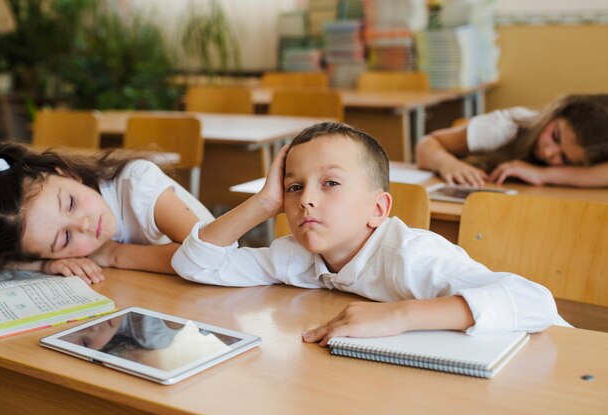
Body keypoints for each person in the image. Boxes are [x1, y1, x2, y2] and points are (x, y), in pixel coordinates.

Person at [171, 122, 566, 346]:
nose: (306, 200)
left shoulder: (410, 256)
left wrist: (398, 314)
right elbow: (195, 264)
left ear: (378, 210)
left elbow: (536, 303)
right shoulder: (295, 255)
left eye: (330, 184)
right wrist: (262, 203)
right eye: (294, 188)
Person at [0, 143, 213, 283]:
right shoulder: (42, 247)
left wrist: (111, 254)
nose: (83, 225)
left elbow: (205, 255)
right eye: (64, 239)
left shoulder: (137, 183)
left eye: (70, 204)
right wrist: (44, 266)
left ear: (68, 175)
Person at [416, 94, 608, 187]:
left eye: (564, 159)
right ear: (557, 112)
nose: (549, 153)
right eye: (555, 137)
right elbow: (426, 144)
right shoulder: (507, 126)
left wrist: (542, 174)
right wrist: (447, 164)